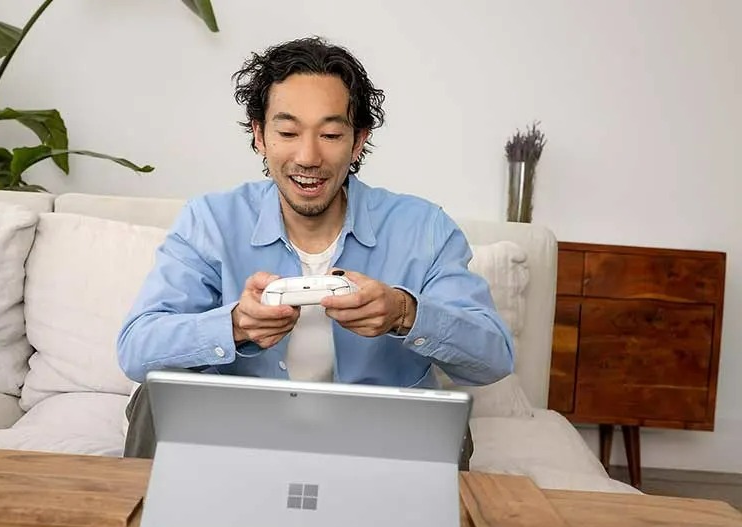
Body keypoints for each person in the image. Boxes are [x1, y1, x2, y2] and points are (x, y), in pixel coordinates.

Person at [117, 36, 514, 470]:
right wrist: (234, 325)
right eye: (287, 132)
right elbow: (137, 352)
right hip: (243, 434)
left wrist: (404, 311)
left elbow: (492, 360)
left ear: (358, 141)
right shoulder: (210, 220)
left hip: (375, 440)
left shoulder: (424, 228)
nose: (308, 156)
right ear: (259, 136)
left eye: (330, 134)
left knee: (452, 427)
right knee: (152, 399)